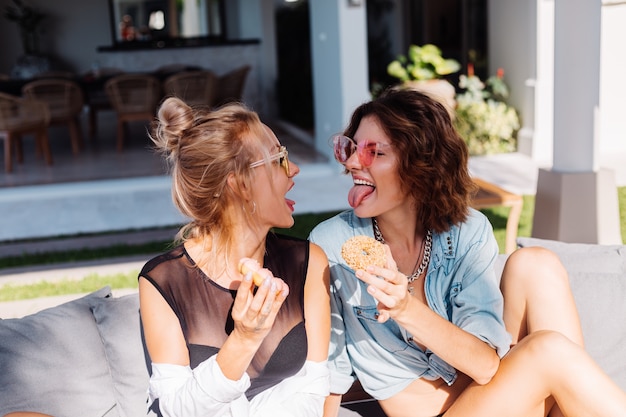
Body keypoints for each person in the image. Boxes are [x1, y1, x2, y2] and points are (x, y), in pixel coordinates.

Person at [309, 87, 626, 417]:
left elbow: (487, 367)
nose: (353, 164)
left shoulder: (465, 231)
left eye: (373, 152)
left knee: (536, 264)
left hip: (497, 398)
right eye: (349, 149)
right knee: (550, 351)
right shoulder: (331, 245)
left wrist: (405, 308)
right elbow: (329, 373)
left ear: (420, 166)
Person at [138, 97, 331, 417]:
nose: (294, 168)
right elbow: (176, 411)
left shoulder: (308, 262)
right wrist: (244, 339)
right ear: (240, 185)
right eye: (278, 158)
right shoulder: (164, 281)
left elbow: (313, 390)